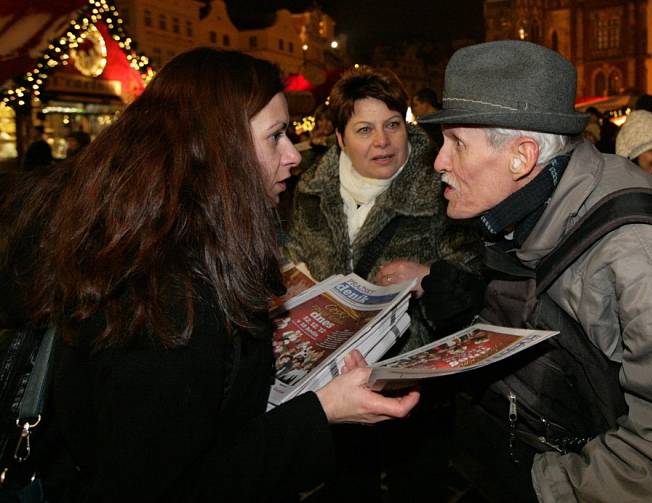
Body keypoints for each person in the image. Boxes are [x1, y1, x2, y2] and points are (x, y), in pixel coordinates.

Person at [0, 48, 419, 502]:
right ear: (219, 146)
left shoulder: (156, 237)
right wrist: (321, 413)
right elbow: (177, 486)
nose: (293, 156)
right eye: (275, 136)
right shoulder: (168, 292)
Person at [417, 40, 652, 502]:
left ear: (521, 157)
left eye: (456, 143)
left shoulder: (638, 261)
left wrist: (542, 488)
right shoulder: (550, 206)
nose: (438, 162)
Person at [285, 66, 481, 502]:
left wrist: (430, 278)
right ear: (339, 138)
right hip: (334, 386)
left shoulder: (442, 185)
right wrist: (295, 285)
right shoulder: (311, 193)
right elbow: (292, 252)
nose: (383, 141)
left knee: (417, 488)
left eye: (393, 124)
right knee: (347, 489)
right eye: (364, 129)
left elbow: (474, 278)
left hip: (413, 387)